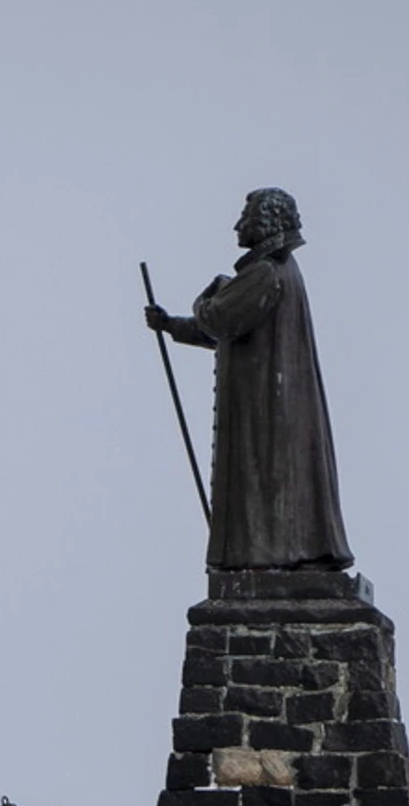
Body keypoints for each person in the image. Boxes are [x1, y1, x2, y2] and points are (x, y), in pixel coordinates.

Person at [145, 188, 354, 571]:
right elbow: (229, 328)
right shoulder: (281, 270)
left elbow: (219, 319)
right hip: (273, 400)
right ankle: (280, 553)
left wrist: (208, 297)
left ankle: (269, 556)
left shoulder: (265, 272)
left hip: (264, 404)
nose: (237, 226)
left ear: (264, 222)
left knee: (266, 479)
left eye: (245, 217)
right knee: (276, 481)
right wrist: (171, 325)